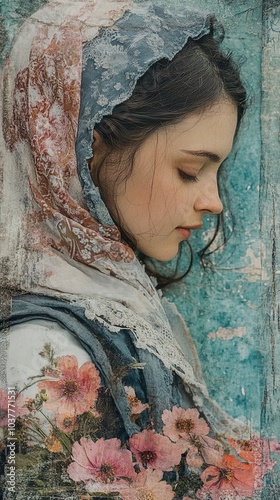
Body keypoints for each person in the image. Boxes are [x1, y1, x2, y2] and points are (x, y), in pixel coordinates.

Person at [0, 0, 276, 499]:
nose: (214, 201)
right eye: (190, 170)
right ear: (89, 149)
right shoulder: (40, 354)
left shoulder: (135, 316)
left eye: (217, 173)